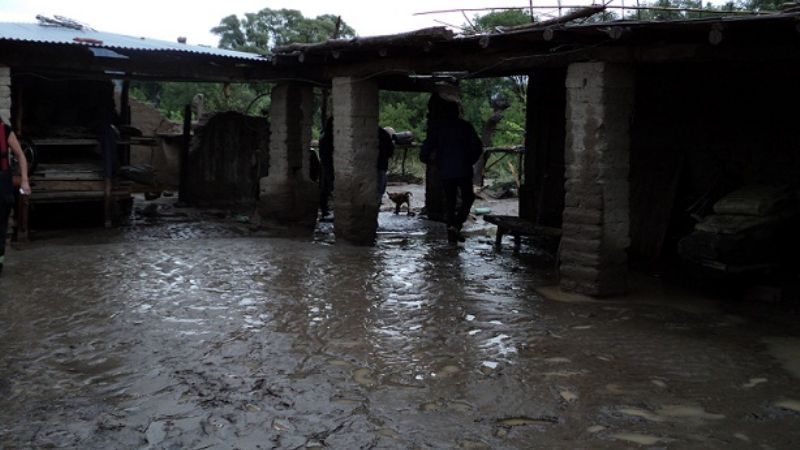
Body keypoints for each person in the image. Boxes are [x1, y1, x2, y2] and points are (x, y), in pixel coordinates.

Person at [420, 99, 482, 243]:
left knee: (450, 202)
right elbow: (477, 147)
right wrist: (469, 160)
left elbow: (426, 147)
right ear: (457, 112)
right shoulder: (465, 127)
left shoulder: (439, 128)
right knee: (468, 197)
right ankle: (456, 225)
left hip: (446, 171)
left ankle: (451, 235)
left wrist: (427, 160)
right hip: (464, 170)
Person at [0, 118, 31, 275]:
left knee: (1, 226)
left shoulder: (4, 130)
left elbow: (21, 155)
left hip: (2, 185)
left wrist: (25, 180)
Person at [376, 126, 395, 204]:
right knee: (380, 186)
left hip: (366, 165)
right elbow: (391, 151)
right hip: (381, 165)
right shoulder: (384, 134)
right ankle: (377, 202)